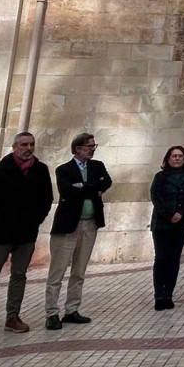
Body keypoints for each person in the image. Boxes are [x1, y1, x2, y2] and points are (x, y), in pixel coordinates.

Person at [0, 132, 53, 342]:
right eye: (24, 144)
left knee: (19, 275)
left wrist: (36, 220)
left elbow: (46, 199)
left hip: (26, 232)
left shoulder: (40, 170)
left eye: (32, 144)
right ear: (14, 146)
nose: (28, 148)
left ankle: (12, 316)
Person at [46, 133, 112, 331]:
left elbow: (106, 183)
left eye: (94, 146)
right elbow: (67, 191)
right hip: (68, 225)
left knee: (79, 270)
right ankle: (51, 312)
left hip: (90, 223)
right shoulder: (64, 169)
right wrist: (92, 188)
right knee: (57, 270)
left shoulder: (97, 166)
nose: (92, 149)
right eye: (89, 146)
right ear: (78, 148)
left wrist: (83, 187)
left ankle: (72, 308)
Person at [148, 146, 184, 310]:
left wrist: (180, 213)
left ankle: (168, 294)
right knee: (161, 259)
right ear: (168, 159)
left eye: (180, 156)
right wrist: (170, 214)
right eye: (174, 156)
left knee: (174, 259)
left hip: (180, 223)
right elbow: (156, 197)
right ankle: (159, 295)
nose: (177, 158)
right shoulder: (160, 176)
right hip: (162, 223)